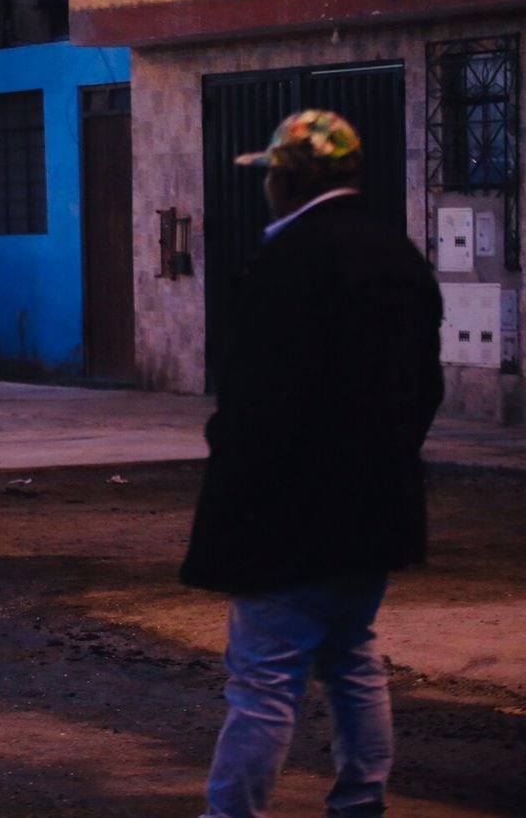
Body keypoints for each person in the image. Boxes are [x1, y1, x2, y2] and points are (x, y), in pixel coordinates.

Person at [183, 109, 444, 818]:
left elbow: (259, 404)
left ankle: (230, 812)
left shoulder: (290, 260)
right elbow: (426, 389)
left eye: (271, 173)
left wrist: (235, 502)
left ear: (287, 178)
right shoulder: (398, 255)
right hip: (377, 509)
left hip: (289, 517)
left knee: (262, 681)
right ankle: (361, 801)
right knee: (352, 657)